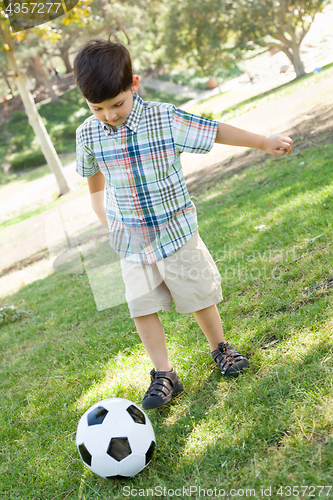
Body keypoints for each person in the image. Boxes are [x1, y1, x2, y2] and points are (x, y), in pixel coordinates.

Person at [73, 39, 293, 410]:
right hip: (131, 242)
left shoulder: (164, 117)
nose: (110, 115)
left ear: (134, 84)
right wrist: (106, 221)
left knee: (198, 296)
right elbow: (94, 183)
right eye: (98, 108)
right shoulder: (87, 135)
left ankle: (220, 347)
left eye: (117, 104)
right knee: (141, 307)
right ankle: (164, 374)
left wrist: (262, 142)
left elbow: (214, 130)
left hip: (175, 231)